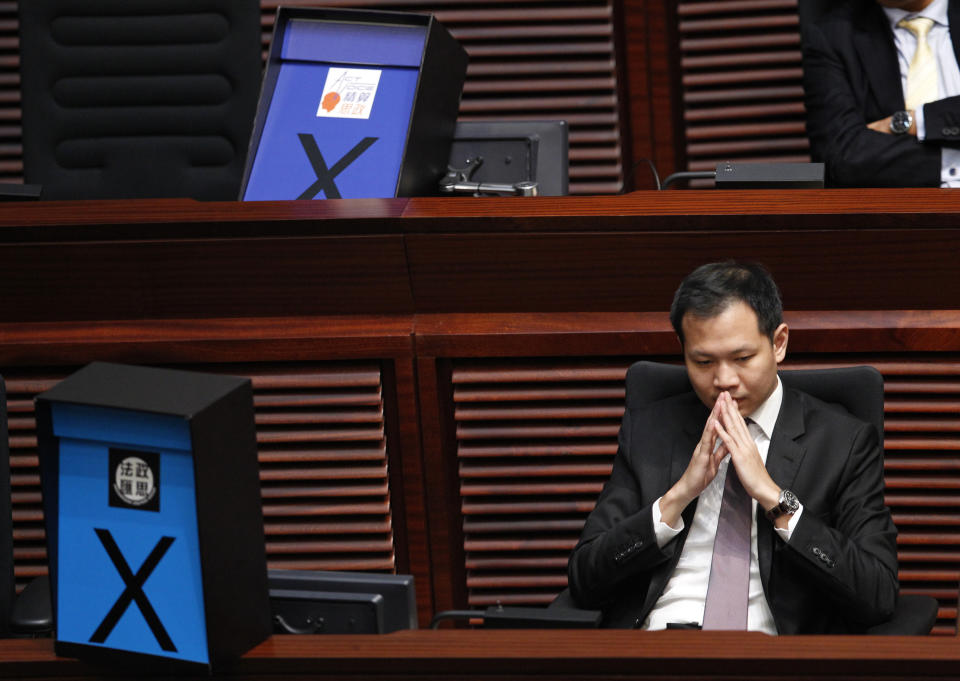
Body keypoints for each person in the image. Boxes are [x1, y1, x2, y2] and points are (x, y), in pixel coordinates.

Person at [567, 262, 898, 634]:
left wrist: (775, 499)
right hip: (655, 647)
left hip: (769, 655)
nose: (723, 381)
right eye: (703, 362)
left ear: (779, 343)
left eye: (742, 359)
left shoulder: (843, 441)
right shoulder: (651, 430)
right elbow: (585, 578)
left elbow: (878, 594)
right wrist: (677, 497)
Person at [801, 0, 960, 187]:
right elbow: (841, 157)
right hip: (899, 209)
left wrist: (917, 120)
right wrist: (952, 162)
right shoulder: (834, 36)